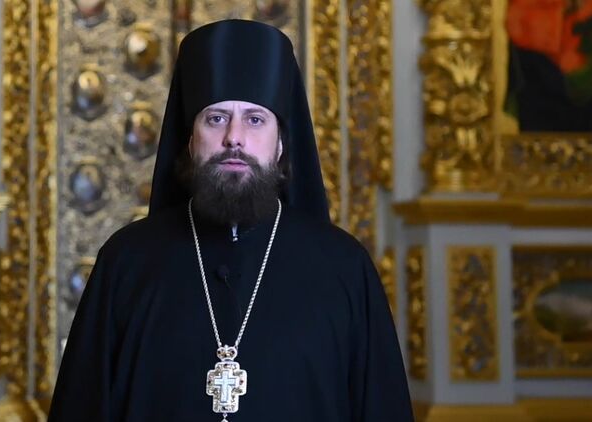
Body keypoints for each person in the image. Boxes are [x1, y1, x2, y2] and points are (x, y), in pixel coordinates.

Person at [49, 19, 413, 421]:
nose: (234, 137)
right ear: (190, 140)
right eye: (217, 118)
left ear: (280, 144)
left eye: (255, 119)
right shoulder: (126, 262)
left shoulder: (343, 268)